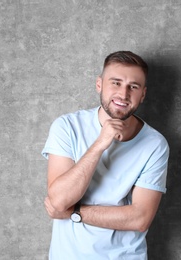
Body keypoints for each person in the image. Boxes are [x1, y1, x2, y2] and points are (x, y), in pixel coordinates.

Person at [41, 51, 169, 259]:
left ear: (143, 94)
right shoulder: (67, 127)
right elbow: (58, 200)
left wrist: (74, 213)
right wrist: (100, 143)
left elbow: (140, 218)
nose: (124, 94)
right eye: (116, 83)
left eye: (133, 87)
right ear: (99, 84)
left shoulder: (155, 144)